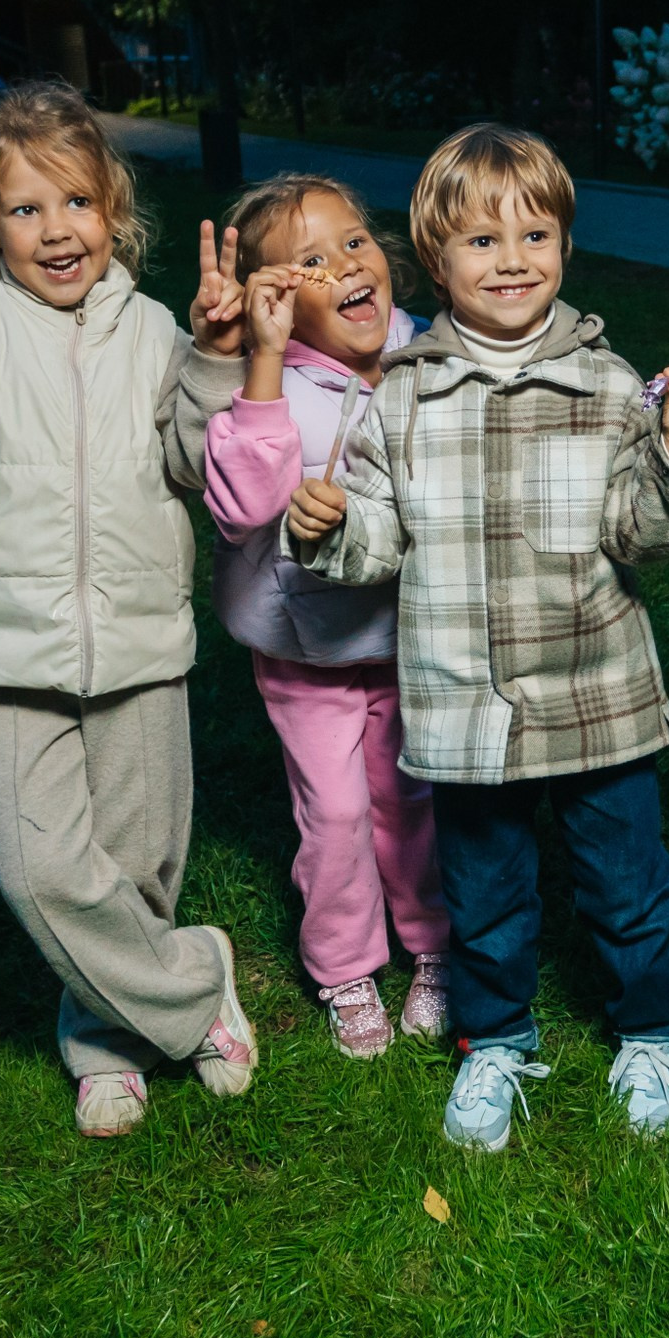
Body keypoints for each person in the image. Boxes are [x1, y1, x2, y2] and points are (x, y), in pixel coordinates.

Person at [281, 125, 669, 1152]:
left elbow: (643, 534)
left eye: (536, 234)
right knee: (483, 895)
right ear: (434, 262)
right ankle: (495, 1040)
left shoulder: (614, 385)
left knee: (627, 887)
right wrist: (326, 530)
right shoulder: (399, 395)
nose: (514, 259)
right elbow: (376, 539)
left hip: (597, 693)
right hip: (465, 701)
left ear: (565, 247)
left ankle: (653, 1030)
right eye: (483, 242)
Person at [0, 79, 256, 1139]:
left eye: (75, 202)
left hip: (137, 635)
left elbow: (196, 463)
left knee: (135, 866)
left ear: (114, 209)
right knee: (40, 877)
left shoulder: (157, 326)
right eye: (24, 209)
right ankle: (199, 984)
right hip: (1, 644)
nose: (55, 230)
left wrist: (212, 358)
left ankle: (104, 1043)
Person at [186, 173, 453, 1059]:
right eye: (310, 260)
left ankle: (432, 947)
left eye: (354, 241)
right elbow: (242, 507)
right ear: (277, 302)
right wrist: (260, 359)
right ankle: (343, 965)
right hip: (306, 651)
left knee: (410, 800)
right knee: (335, 813)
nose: (344, 264)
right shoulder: (279, 385)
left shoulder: (432, 353)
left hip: (411, 636)